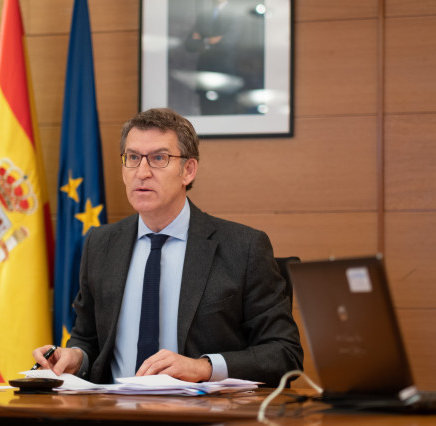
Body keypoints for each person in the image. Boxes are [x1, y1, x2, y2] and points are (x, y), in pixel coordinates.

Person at [33, 108, 303, 386]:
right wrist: (76, 356)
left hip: (202, 414)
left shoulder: (243, 247)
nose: (142, 172)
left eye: (159, 158)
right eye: (133, 158)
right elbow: (88, 339)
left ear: (188, 170)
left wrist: (204, 367)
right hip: (112, 410)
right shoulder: (100, 244)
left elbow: (285, 353)